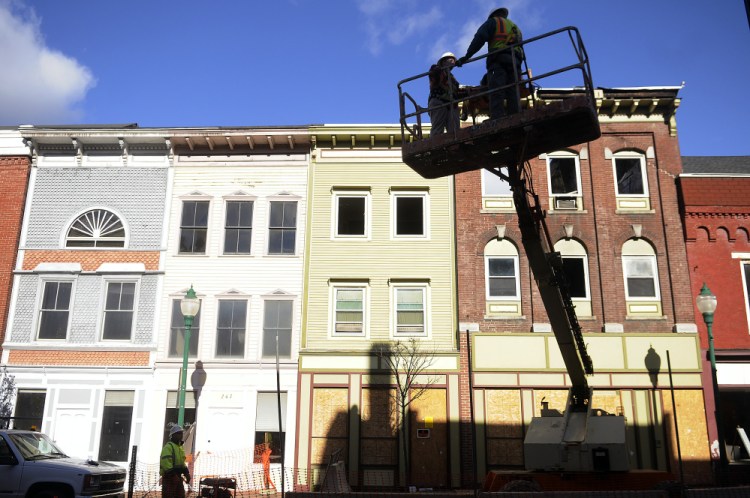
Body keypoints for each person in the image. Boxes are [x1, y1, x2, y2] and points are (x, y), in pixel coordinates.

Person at [457, 7, 523, 120]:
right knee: (513, 89)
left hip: (499, 59)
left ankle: (497, 118)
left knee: (497, 89)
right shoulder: (514, 26)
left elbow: (480, 38)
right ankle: (515, 116)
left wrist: (467, 56)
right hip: (515, 61)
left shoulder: (494, 22)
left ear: (493, 15)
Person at [428, 52, 461, 134]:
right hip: (438, 102)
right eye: (450, 60)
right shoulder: (436, 69)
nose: (453, 62)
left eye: (454, 60)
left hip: (451, 105)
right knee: (438, 129)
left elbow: (457, 92)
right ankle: (436, 146)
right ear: (443, 62)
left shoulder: (453, 78)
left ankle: (454, 146)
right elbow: (434, 75)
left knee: (455, 131)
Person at [160, 424, 190, 498]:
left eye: (181, 433)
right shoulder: (168, 447)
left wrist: (186, 473)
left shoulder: (179, 448)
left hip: (177, 478)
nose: (181, 435)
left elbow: (181, 463)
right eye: (178, 433)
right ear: (173, 435)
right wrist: (173, 475)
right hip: (169, 479)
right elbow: (166, 463)